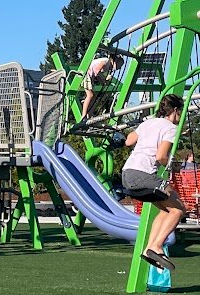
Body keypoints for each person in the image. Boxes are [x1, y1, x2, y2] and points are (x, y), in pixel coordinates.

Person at [121, 93, 186, 271]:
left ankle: (148, 249)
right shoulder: (170, 128)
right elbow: (161, 156)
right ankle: (156, 246)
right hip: (143, 175)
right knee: (179, 209)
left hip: (127, 173)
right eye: (180, 112)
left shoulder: (148, 122)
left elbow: (128, 141)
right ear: (175, 110)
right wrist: (173, 165)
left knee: (166, 209)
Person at [80, 52, 119, 123]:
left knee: (93, 96)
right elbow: (97, 71)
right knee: (90, 95)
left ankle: (89, 114)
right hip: (87, 73)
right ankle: (84, 115)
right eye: (119, 64)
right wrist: (104, 79)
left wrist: (104, 81)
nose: (119, 67)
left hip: (90, 76)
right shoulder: (106, 61)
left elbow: (97, 75)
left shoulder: (108, 66)